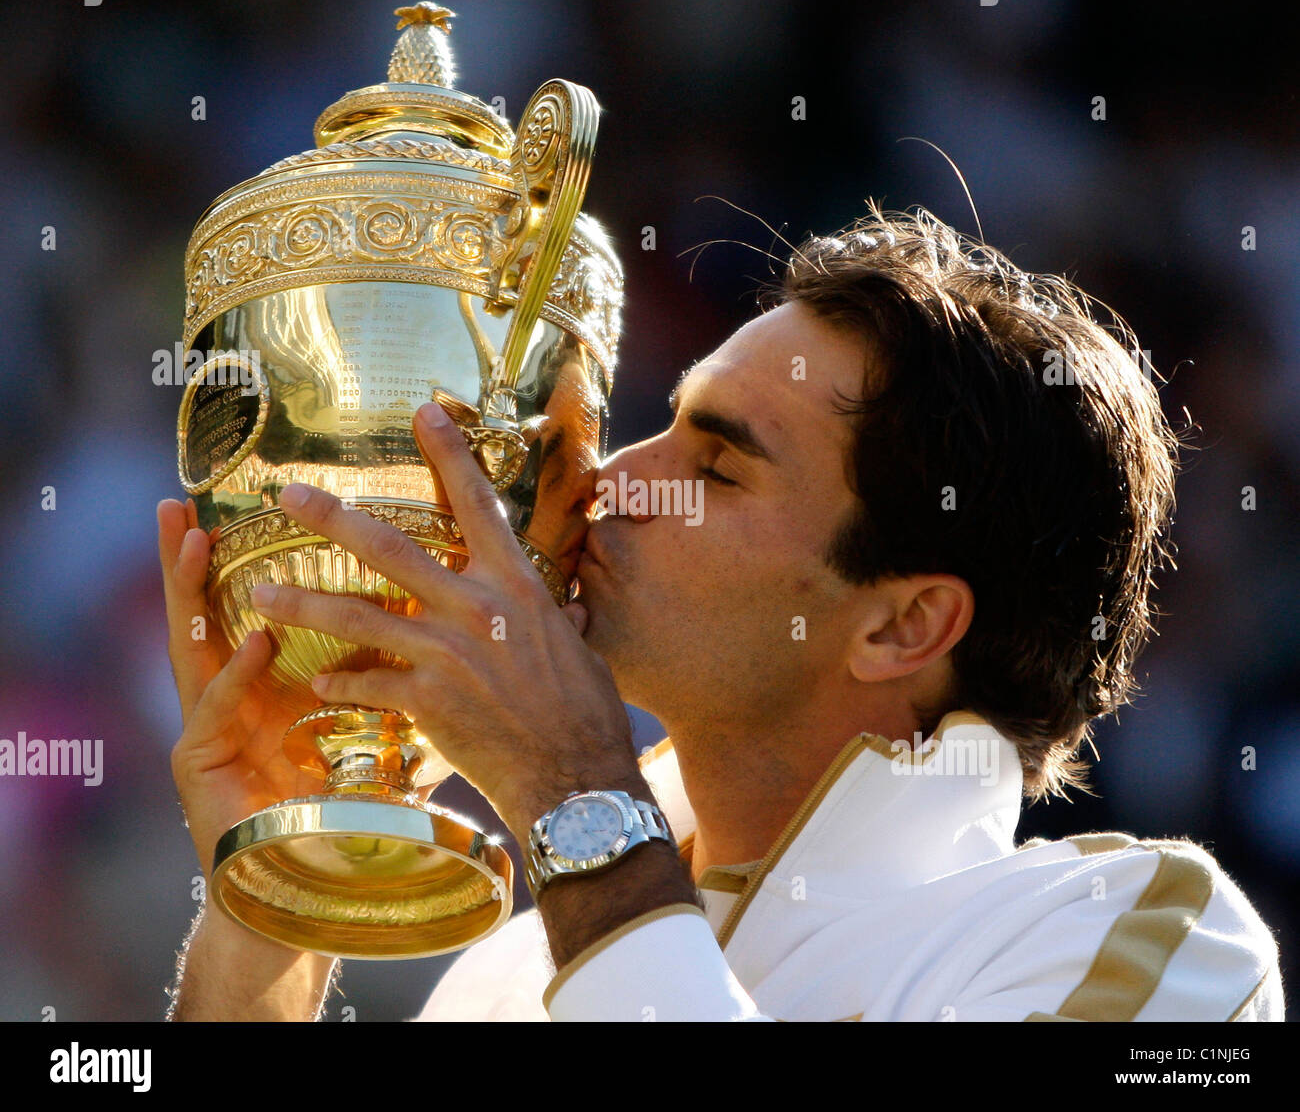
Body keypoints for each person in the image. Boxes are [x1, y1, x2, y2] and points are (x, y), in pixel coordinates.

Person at [160, 203, 1284, 1022]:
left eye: (716, 468)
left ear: (902, 626)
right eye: (665, 423)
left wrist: (577, 796)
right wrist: (278, 904)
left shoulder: (1154, 944)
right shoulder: (512, 972)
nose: (608, 478)